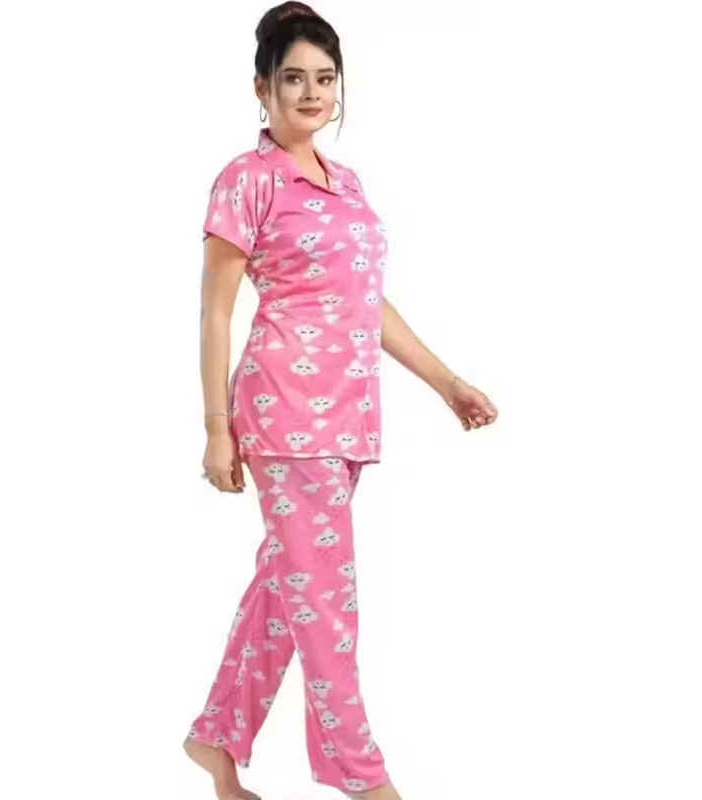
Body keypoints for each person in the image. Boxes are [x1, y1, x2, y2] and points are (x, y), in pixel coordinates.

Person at [183, 4, 499, 799]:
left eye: (325, 79)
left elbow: (366, 302)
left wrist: (447, 382)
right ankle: (363, 779)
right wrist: (216, 429)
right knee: (327, 605)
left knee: (288, 591)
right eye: (293, 78)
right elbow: (215, 311)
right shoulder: (247, 179)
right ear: (262, 88)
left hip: (350, 418)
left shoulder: (346, 185)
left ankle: (216, 739)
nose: (312, 93)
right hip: (285, 415)